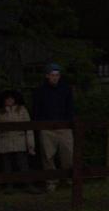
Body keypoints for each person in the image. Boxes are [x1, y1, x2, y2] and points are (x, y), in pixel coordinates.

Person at [30, 62, 75, 192]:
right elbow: (36, 109)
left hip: (64, 127)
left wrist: (69, 122)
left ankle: (70, 179)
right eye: (52, 75)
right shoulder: (40, 91)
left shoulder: (66, 89)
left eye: (57, 75)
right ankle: (51, 182)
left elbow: (70, 108)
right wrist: (40, 125)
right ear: (47, 76)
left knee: (68, 155)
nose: (55, 77)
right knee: (47, 156)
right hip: (47, 128)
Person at [0, 89, 35, 192]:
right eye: (7, 99)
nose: (10, 100)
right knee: (7, 166)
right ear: (3, 100)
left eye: (11, 98)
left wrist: (31, 146)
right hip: (5, 143)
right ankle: (9, 186)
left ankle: (28, 185)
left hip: (20, 141)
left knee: (23, 165)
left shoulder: (22, 110)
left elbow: (29, 129)